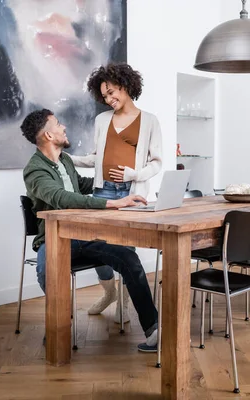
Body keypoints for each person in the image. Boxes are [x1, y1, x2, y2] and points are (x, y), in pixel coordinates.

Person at [21, 108, 158, 351]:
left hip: (82, 235)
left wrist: (117, 186)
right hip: (54, 239)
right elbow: (61, 197)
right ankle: (57, 323)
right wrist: (111, 203)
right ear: (49, 136)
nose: (63, 127)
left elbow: (81, 185)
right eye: (58, 124)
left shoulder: (63, 160)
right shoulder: (34, 170)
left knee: (129, 258)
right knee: (46, 270)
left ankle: (153, 329)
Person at [69, 63, 163, 322]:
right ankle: (110, 292)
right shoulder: (102, 120)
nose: (109, 99)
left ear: (126, 85)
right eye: (105, 96)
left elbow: (157, 161)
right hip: (103, 192)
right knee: (96, 246)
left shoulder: (150, 121)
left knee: (125, 251)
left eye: (112, 92)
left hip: (131, 193)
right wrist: (68, 159)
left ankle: (124, 302)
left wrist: (135, 175)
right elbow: (95, 157)